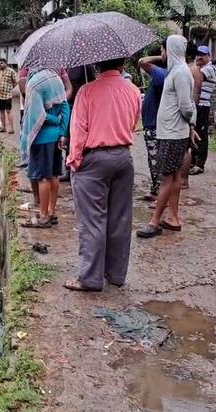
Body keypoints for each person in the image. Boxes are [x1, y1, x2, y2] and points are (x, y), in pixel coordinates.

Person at [63, 57, 141, 291]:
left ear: (98, 65)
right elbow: (133, 124)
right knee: (120, 219)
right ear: (122, 64)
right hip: (123, 158)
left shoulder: (87, 91)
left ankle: (89, 278)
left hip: (94, 160)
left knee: (92, 221)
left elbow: (79, 130)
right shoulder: (134, 91)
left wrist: (74, 160)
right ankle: (116, 275)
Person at [137, 35, 199, 239]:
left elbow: (186, 105)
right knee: (173, 177)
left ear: (171, 49)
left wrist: (190, 121)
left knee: (168, 178)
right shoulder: (176, 71)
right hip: (171, 132)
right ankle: (172, 217)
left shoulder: (180, 73)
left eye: (164, 49)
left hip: (173, 133)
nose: (162, 53)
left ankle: (154, 221)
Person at [18, 69, 70, 228]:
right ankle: (51, 211)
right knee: (54, 174)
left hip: (41, 138)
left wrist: (53, 120)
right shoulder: (56, 79)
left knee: (42, 177)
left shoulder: (34, 84)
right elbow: (65, 107)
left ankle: (43, 216)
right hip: (56, 138)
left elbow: (37, 115)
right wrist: (62, 132)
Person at [138, 41, 168, 201]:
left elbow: (142, 61)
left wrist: (162, 57)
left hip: (154, 123)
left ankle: (158, 193)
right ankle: (156, 189)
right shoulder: (164, 74)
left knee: (156, 159)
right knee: (154, 159)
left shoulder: (162, 74)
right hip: (153, 122)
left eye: (163, 50)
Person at [189, 45, 216, 175]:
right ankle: (193, 161)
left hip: (202, 106)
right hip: (197, 105)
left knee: (201, 134)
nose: (199, 57)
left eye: (202, 54)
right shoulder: (202, 67)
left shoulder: (210, 69)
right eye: (197, 54)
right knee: (194, 132)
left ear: (209, 56)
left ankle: (200, 163)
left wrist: (193, 64)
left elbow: (196, 76)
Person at [0, 58, 18, 134]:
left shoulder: (11, 71)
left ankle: (11, 128)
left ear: (5, 64)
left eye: (1, 63)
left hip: (7, 95)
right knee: (1, 112)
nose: (0, 64)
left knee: (8, 111)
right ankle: (3, 127)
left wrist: (10, 87)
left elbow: (16, 81)